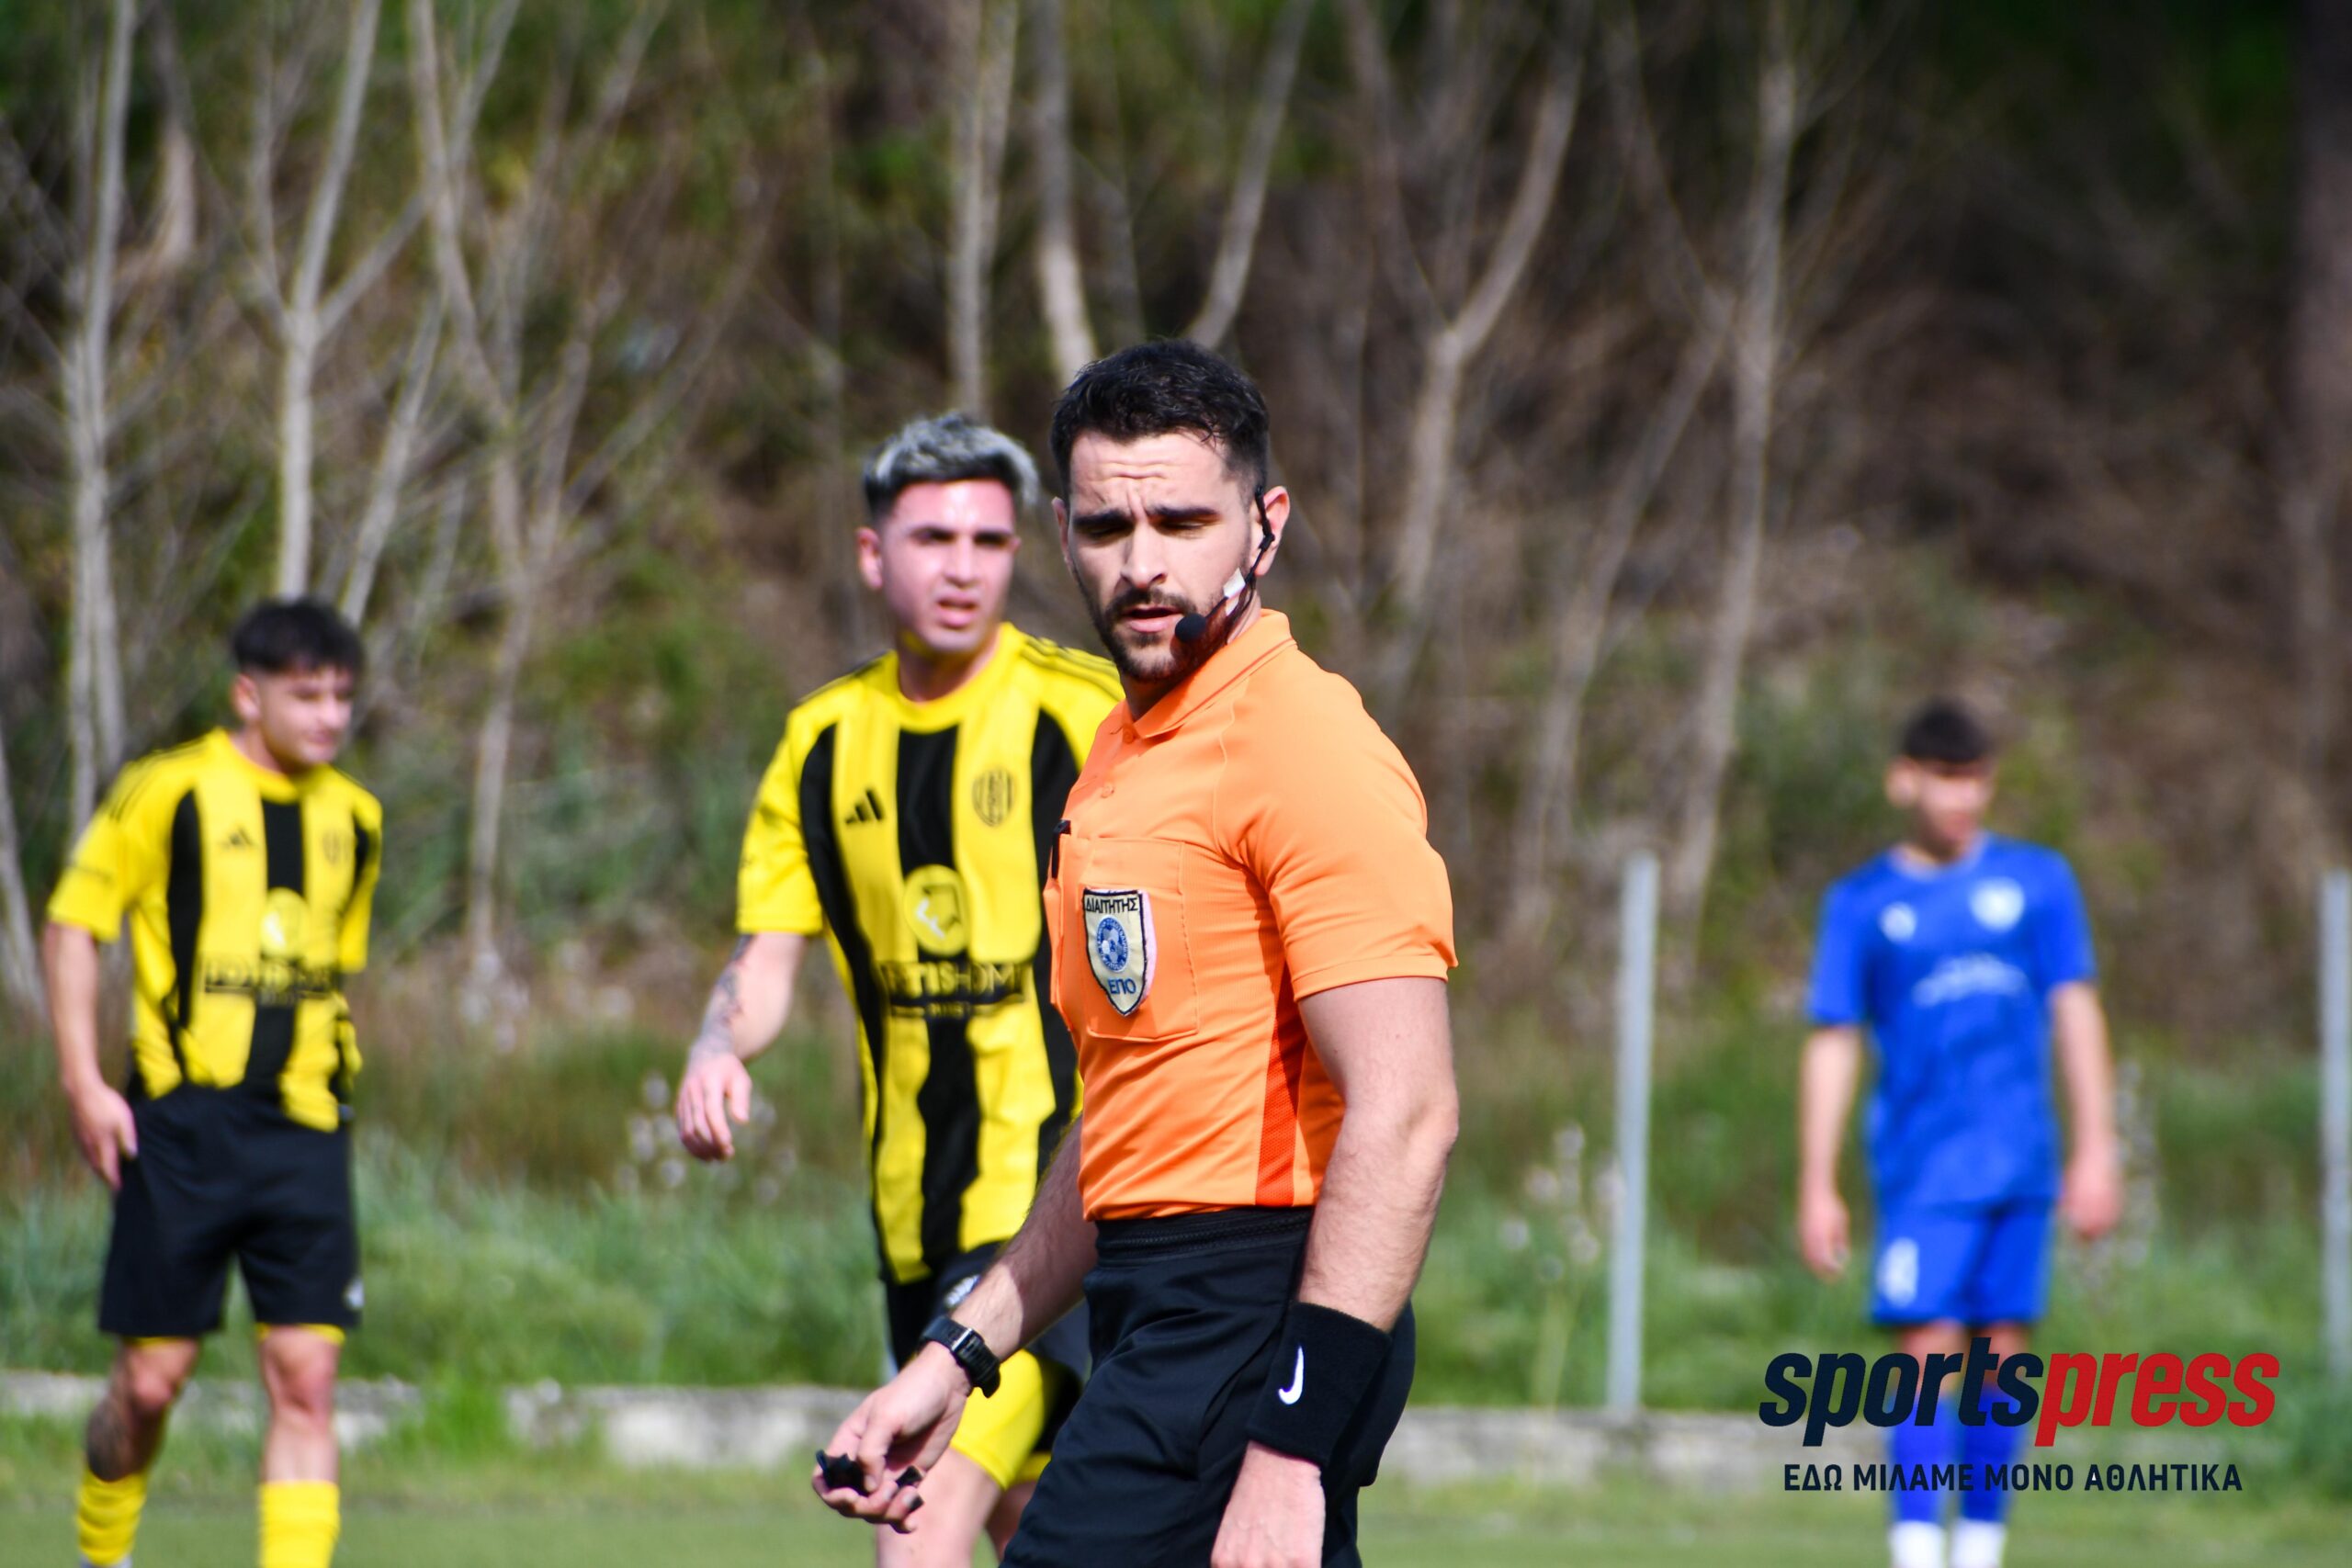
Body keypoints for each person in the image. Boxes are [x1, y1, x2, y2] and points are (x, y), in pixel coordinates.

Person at [815, 340, 1459, 1568]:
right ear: (1064, 533)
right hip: (1155, 1304)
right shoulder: (1120, 754)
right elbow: (1124, 1124)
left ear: (1264, 527)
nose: (1143, 561)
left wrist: (1291, 1444)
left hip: (1257, 1313)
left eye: (1183, 520)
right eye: (1109, 525)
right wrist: (960, 1354)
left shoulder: (1304, 743)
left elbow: (1410, 1111)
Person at [673, 413, 1119, 1565]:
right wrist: (716, 1047)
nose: (962, 567)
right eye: (932, 538)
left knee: (915, 1517)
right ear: (873, 554)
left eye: (987, 539)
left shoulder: (1087, 715)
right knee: (1033, 1531)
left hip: (1053, 1207)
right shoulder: (821, 744)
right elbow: (766, 958)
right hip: (912, 1218)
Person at [46, 599, 382, 1568]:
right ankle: (102, 1551)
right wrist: (83, 1083)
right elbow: (74, 925)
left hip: (306, 1128)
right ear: (247, 694)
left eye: (342, 697)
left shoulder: (356, 819)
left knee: (306, 1378)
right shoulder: (168, 791)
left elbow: (334, 968)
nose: (329, 715)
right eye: (306, 695)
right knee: (152, 1383)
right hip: (181, 1125)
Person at [1796, 697, 2123, 1568]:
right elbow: (1834, 1039)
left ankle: (1979, 1547)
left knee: (2001, 1362)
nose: (1962, 796)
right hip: (1921, 1169)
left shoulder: (2038, 882)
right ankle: (1915, 1549)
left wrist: (2098, 1147)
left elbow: (2076, 1010)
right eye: (1945, 777)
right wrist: (1816, 1181)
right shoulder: (1863, 903)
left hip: (2021, 1161)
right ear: (1903, 780)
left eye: (1975, 778)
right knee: (1924, 1354)